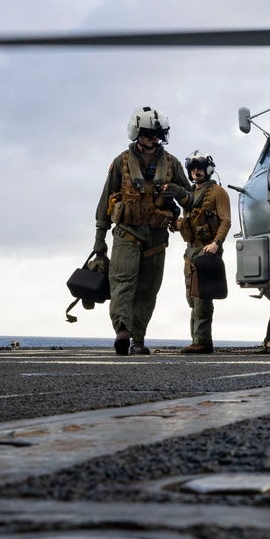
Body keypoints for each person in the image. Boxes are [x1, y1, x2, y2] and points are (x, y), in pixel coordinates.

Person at [92, 106, 192, 356]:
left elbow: (191, 198)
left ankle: (138, 339)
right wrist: (99, 241)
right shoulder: (121, 162)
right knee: (122, 284)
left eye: (158, 134)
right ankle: (122, 331)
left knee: (148, 290)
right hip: (127, 233)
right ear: (137, 132)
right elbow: (105, 202)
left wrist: (179, 192)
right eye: (149, 134)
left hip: (156, 236)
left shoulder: (172, 164)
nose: (154, 138)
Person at [178, 151, 231, 354]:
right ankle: (196, 339)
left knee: (202, 298)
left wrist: (217, 243)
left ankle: (202, 341)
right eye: (193, 169)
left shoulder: (217, 192)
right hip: (191, 250)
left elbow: (225, 221)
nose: (196, 171)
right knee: (192, 297)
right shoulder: (189, 195)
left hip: (208, 249)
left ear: (207, 169)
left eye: (199, 168)